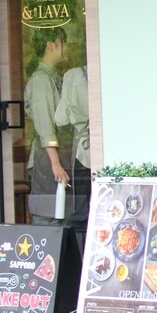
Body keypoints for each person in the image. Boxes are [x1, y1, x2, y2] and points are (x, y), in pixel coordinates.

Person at [25, 27, 69, 225]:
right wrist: (55, 163)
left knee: (58, 214)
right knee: (48, 217)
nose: (66, 47)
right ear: (50, 45)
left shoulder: (52, 77)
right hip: (47, 159)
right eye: (63, 42)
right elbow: (44, 124)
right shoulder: (41, 80)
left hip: (54, 157)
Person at [55, 64, 89, 234]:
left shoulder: (71, 75)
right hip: (103, 144)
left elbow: (60, 118)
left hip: (82, 150)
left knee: (81, 206)